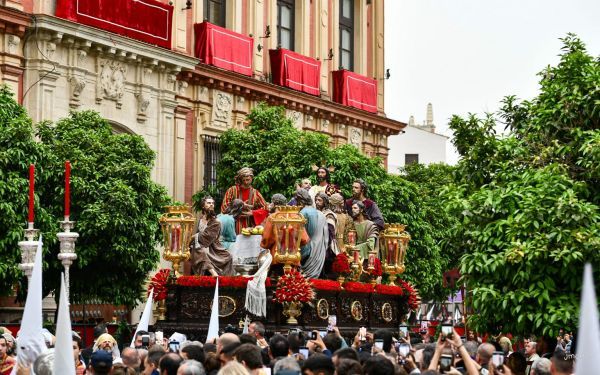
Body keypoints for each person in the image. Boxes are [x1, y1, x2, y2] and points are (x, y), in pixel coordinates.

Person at [190, 196, 235, 276]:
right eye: (208, 203)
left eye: (212, 203)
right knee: (199, 250)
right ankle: (211, 273)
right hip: (200, 245)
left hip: (213, 247)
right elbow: (199, 233)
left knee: (228, 256)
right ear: (203, 206)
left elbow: (207, 237)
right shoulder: (201, 219)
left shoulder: (216, 222)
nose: (211, 205)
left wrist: (194, 236)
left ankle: (217, 276)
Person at [221, 168, 268, 234]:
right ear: (240, 179)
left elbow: (266, 208)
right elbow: (224, 207)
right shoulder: (232, 190)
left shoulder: (256, 193)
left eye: (248, 180)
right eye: (244, 180)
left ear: (252, 178)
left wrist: (253, 213)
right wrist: (239, 207)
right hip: (233, 227)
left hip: (250, 228)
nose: (246, 182)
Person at [296, 189, 329, 278]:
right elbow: (326, 237)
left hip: (309, 249)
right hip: (320, 249)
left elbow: (306, 235)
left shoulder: (304, 212)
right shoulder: (321, 214)